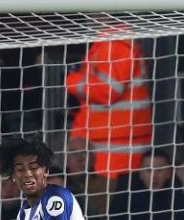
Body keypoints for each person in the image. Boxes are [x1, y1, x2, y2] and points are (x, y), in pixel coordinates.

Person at [65, 28, 152, 180]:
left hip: (117, 159)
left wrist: (71, 81)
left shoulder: (117, 44)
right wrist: (77, 139)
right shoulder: (107, 43)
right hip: (107, 154)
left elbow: (109, 91)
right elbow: (90, 105)